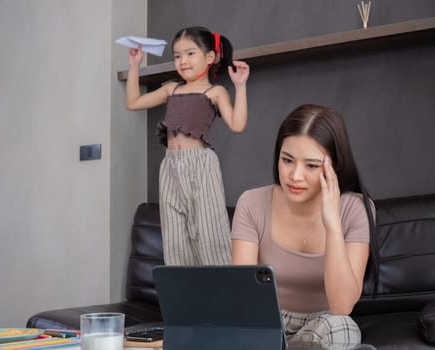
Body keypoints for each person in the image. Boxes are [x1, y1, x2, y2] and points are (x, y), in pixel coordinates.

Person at [231, 104, 374, 347]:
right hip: (266, 322)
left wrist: (332, 225)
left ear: (334, 166)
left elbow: (342, 305)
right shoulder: (251, 202)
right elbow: (243, 294)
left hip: (324, 324)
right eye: (287, 160)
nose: (295, 176)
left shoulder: (356, 209)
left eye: (311, 165)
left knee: (344, 329)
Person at [126, 26, 250, 265]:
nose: (182, 61)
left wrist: (241, 87)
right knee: (175, 238)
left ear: (210, 57)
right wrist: (135, 66)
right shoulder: (172, 88)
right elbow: (133, 102)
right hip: (170, 166)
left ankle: (223, 296)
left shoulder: (215, 91)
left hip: (201, 165)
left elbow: (237, 124)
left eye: (190, 53)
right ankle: (184, 297)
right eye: (177, 55)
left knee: (209, 233)